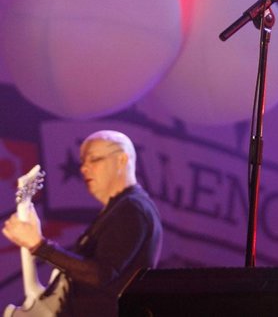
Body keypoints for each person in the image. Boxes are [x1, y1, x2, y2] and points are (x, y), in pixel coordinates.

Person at [2, 130, 163, 316]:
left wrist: (40, 246)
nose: (84, 168)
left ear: (122, 160)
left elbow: (101, 274)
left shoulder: (132, 208)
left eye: (94, 159)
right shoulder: (118, 208)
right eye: (83, 162)